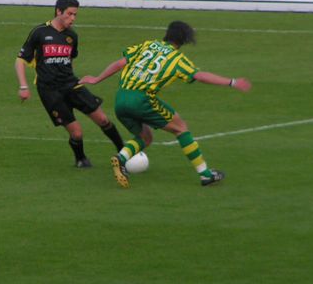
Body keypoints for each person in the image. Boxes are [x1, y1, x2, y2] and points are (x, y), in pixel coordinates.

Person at [79, 21, 251, 188]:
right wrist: (232, 82)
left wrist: (96, 79)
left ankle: (121, 158)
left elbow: (121, 63)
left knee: (146, 137)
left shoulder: (148, 45)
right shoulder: (176, 59)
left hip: (120, 99)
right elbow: (199, 75)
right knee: (181, 128)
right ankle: (205, 175)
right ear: (184, 41)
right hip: (142, 99)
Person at [15, 0, 125, 168]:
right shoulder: (40, 32)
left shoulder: (71, 36)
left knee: (102, 118)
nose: (73, 18)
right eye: (70, 14)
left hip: (71, 84)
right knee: (77, 133)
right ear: (58, 12)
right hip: (50, 90)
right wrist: (23, 86)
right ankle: (80, 159)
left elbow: (70, 59)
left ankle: (124, 152)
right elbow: (20, 60)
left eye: (75, 15)